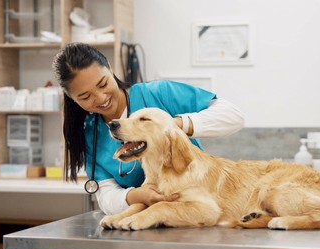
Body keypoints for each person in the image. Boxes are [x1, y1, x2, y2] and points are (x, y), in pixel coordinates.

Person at [52, 42, 244, 215]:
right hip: (144, 228)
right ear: (72, 98)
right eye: (85, 97)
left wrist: (172, 126)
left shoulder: (158, 94)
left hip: (197, 215)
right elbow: (105, 195)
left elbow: (234, 116)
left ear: (110, 68)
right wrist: (135, 196)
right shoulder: (90, 135)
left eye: (103, 84)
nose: (101, 98)